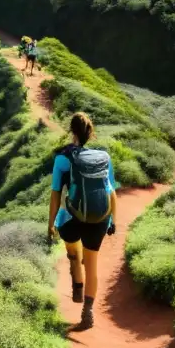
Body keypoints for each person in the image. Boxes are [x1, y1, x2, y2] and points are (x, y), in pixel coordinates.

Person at [48, 112, 118, 329]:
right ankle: (87, 313)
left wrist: (50, 224)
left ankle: (77, 284)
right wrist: (113, 220)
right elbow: (111, 192)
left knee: (74, 253)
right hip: (99, 218)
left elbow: (56, 194)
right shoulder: (103, 158)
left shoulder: (62, 158)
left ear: (72, 132)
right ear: (90, 133)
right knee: (93, 266)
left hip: (72, 218)